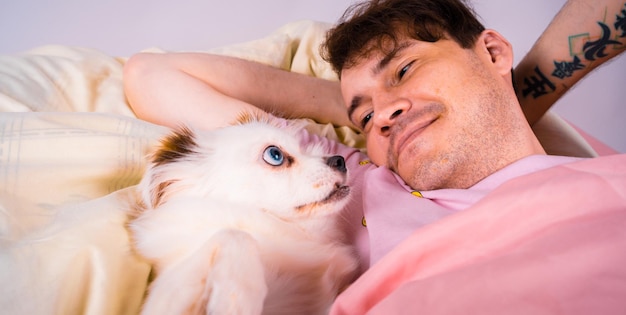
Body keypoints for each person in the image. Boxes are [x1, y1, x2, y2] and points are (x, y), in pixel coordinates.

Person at [124, 0, 626, 313]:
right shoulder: (359, 183)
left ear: (493, 54)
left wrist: (505, 99)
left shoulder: (607, 171)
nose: (380, 116)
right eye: (363, 117)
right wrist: (375, 110)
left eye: (404, 69)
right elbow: (151, 76)